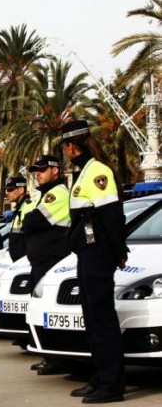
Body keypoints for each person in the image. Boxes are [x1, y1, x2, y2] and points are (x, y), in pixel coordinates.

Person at [61, 120, 127, 403]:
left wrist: (119, 251)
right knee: (91, 319)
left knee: (102, 320)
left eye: (64, 147)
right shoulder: (84, 172)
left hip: (99, 254)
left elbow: (111, 215)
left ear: (71, 146)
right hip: (87, 254)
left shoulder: (98, 171)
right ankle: (100, 376)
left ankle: (112, 385)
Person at [21, 156, 72, 375]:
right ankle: (50, 357)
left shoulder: (58, 194)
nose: (37, 174)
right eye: (35, 171)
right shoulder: (44, 195)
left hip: (52, 263)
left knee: (48, 313)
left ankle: (56, 360)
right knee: (41, 311)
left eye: (42, 170)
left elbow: (32, 221)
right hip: (42, 263)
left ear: (55, 170)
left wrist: (30, 222)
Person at [4, 176, 37, 262]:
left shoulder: (29, 207)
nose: (7, 193)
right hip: (18, 261)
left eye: (11, 190)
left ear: (21, 190)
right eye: (7, 190)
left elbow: (32, 239)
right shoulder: (19, 208)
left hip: (25, 261)